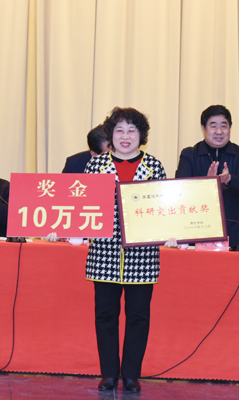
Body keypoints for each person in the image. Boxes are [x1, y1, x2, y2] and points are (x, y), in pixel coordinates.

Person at [47, 107, 176, 392]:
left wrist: (171, 232)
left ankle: (131, 375)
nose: (125, 136)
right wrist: (62, 228)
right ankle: (108, 373)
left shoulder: (154, 166)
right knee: (105, 315)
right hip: (104, 253)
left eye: (132, 130)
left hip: (142, 255)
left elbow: (164, 209)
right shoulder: (95, 166)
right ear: (111, 135)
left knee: (138, 316)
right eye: (119, 130)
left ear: (141, 135)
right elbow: (81, 208)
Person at [175, 105, 239, 246]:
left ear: (230, 128)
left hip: (235, 232)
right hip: (198, 230)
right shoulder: (190, 155)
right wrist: (206, 183)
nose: (219, 131)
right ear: (203, 128)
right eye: (213, 126)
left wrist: (230, 179)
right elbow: (180, 192)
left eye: (224, 126)